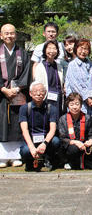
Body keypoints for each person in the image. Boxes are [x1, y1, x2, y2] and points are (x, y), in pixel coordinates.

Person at [0, 24, 30, 168]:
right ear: (1, 35)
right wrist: (3, 89)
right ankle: (3, 157)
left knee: (17, 123)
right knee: (2, 123)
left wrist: (17, 88)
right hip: (1, 95)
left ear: (16, 35)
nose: (9, 36)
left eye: (12, 33)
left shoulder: (22, 53)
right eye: (6, 33)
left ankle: (16, 156)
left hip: (18, 94)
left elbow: (26, 73)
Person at [19, 82, 60, 171]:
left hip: (46, 140)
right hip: (31, 140)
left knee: (56, 141)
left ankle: (47, 159)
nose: (38, 94)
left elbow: (53, 129)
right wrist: (31, 147)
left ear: (45, 93)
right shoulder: (24, 108)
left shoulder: (51, 108)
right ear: (30, 93)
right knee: (25, 151)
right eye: (36, 91)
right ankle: (30, 161)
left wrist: (44, 143)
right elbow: (24, 130)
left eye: (41, 91)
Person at [58, 92, 92, 170]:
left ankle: (87, 161)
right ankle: (71, 162)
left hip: (84, 145)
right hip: (71, 146)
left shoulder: (87, 118)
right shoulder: (63, 119)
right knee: (73, 149)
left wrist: (90, 140)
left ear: (81, 105)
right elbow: (62, 138)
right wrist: (75, 142)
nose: (74, 107)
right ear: (68, 106)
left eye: (77, 104)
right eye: (72, 104)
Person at [65, 38, 92, 118]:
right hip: (79, 103)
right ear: (76, 49)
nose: (83, 51)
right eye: (81, 48)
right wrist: (86, 98)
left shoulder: (91, 64)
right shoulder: (72, 65)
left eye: (86, 49)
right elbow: (74, 85)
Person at [34, 40, 64, 120]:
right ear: (44, 50)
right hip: (47, 98)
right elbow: (38, 85)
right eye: (49, 48)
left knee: (58, 119)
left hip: (58, 98)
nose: (52, 51)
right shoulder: (40, 67)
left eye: (54, 48)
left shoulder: (59, 66)